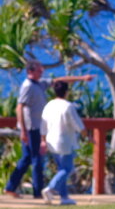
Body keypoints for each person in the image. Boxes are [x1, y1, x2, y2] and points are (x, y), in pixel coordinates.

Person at [4, 61, 93, 200]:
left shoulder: (39, 84)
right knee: (37, 160)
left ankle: (10, 187)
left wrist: (81, 79)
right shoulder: (27, 86)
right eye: (39, 71)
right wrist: (23, 130)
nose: (42, 73)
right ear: (31, 72)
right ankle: (38, 192)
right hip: (31, 128)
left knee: (27, 159)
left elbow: (59, 80)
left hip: (36, 128)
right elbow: (20, 107)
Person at [40, 81, 86, 205]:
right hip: (64, 141)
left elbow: (43, 125)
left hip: (51, 141)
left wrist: (43, 140)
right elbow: (77, 124)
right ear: (66, 92)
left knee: (61, 169)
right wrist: (87, 136)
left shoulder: (49, 105)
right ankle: (51, 188)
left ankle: (64, 197)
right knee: (67, 169)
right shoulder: (68, 106)